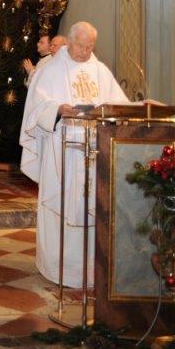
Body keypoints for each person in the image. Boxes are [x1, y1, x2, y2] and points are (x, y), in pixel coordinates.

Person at [19, 22, 129, 287]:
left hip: (96, 149)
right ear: (69, 42)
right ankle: (57, 267)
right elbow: (36, 105)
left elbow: (120, 104)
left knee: (92, 208)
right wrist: (58, 109)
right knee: (62, 205)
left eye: (90, 47)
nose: (85, 52)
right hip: (62, 150)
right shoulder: (51, 69)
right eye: (81, 46)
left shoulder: (100, 71)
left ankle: (91, 269)